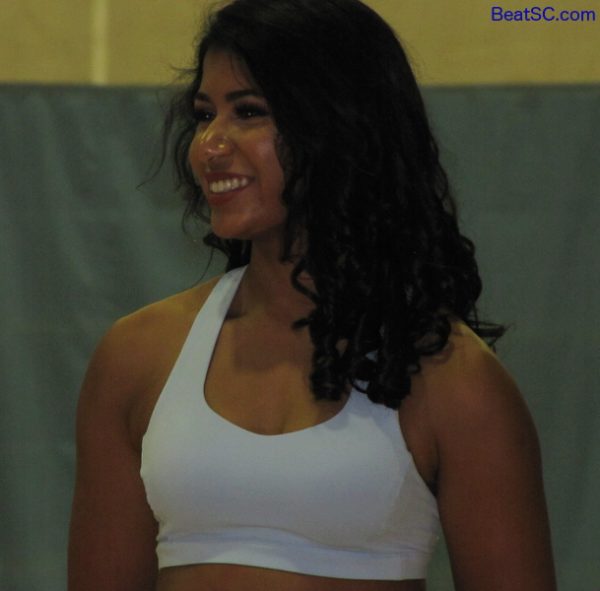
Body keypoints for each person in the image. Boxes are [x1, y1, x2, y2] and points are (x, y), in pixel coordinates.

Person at [68, 0, 557, 589]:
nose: (210, 145)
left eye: (249, 112)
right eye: (204, 115)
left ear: (341, 126)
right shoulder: (136, 356)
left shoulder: (456, 380)